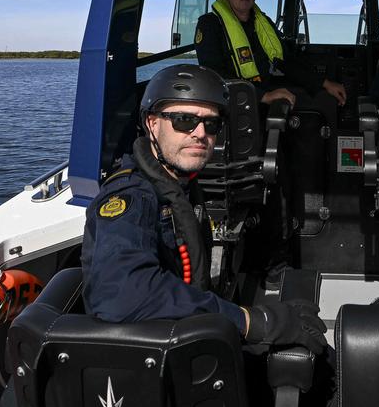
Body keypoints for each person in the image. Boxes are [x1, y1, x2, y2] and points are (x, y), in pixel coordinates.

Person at [81, 64, 326, 354]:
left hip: (185, 339)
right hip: (151, 357)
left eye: (211, 124)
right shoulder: (133, 198)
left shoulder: (180, 183)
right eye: (183, 120)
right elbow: (122, 294)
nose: (200, 133)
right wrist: (251, 321)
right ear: (151, 123)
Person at [195, 0, 346, 115]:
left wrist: (325, 83)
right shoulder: (210, 24)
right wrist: (264, 96)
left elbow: (285, 61)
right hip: (231, 102)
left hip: (262, 93)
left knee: (322, 100)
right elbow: (212, 73)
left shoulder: (263, 23)